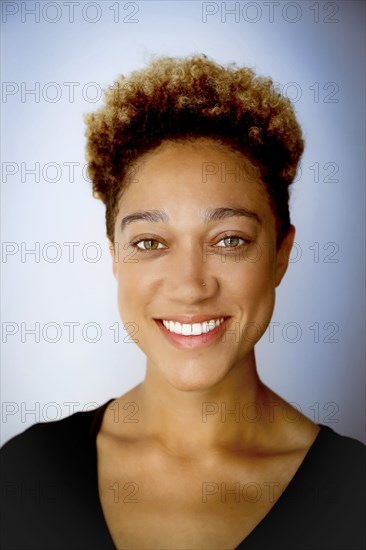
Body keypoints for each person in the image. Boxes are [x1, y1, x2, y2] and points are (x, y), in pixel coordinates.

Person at [1, 54, 364, 550]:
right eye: (150, 243)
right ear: (115, 258)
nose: (191, 287)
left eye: (229, 240)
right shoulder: (26, 474)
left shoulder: (353, 494)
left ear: (281, 254)